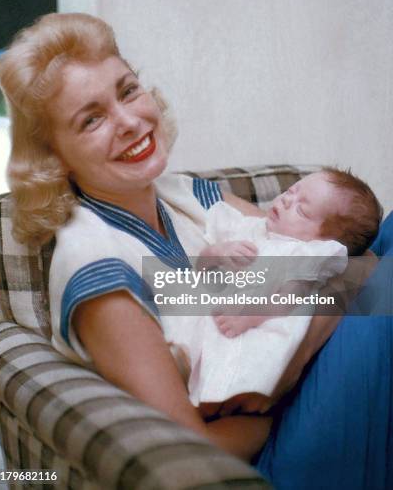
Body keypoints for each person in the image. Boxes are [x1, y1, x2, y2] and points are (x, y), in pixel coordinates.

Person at [0, 13, 392, 486]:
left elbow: (351, 260)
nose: (129, 121)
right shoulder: (96, 265)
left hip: (300, 386)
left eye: (127, 90)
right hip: (270, 448)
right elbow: (185, 448)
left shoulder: (180, 193)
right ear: (53, 156)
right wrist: (271, 406)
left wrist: (297, 355)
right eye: (91, 119)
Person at [161, 169, 381, 408]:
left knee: (228, 367)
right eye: (291, 190)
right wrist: (217, 252)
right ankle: (176, 367)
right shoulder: (247, 228)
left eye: (302, 210)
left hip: (248, 325)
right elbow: (201, 268)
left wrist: (250, 317)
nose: (287, 199)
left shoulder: (302, 256)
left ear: (322, 242)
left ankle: (205, 394)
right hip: (208, 311)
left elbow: (289, 300)